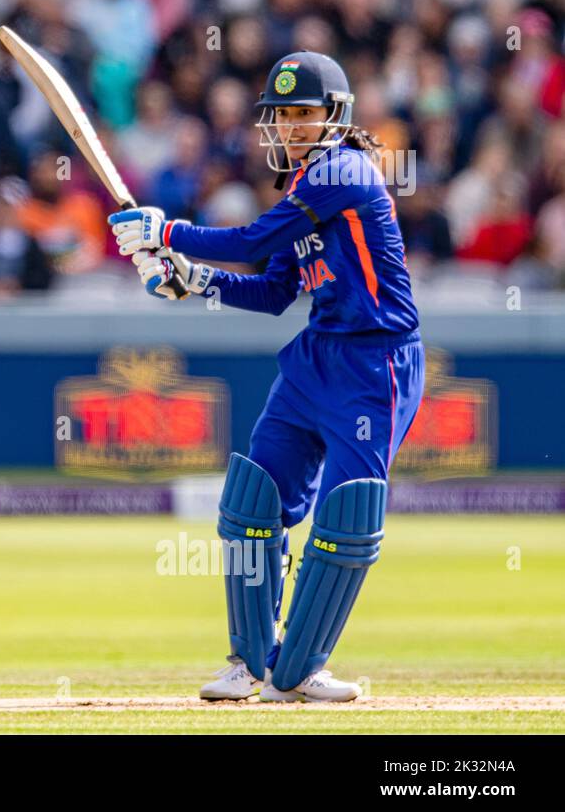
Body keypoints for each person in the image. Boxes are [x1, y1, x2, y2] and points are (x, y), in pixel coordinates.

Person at [109, 52, 425, 703]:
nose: (292, 126)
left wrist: (163, 229)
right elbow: (273, 290)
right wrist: (192, 280)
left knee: (347, 515)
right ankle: (250, 664)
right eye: (282, 115)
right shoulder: (301, 193)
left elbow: (252, 242)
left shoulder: (344, 172)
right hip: (314, 358)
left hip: (375, 362)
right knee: (252, 501)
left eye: (305, 113)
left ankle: (302, 670)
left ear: (334, 117)